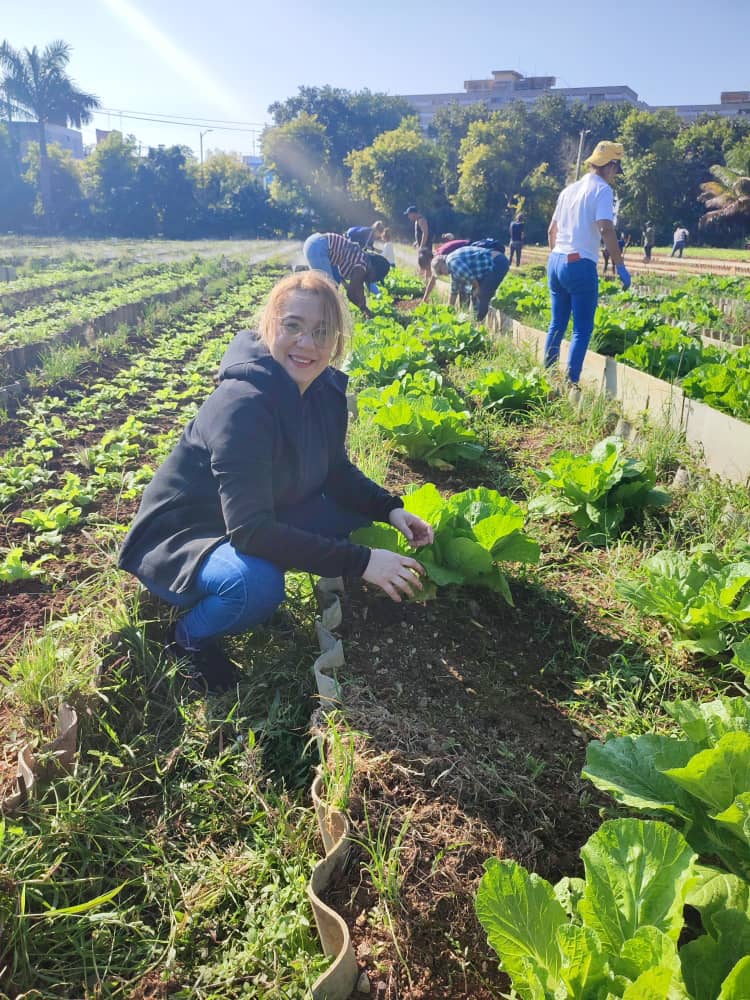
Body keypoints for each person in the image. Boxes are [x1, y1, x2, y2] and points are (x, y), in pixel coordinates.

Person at [118, 271, 434, 691]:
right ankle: (188, 639)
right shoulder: (241, 405)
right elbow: (250, 531)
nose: (307, 343)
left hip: (250, 515)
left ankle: (242, 590)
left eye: (322, 331)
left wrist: (391, 508)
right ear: (270, 325)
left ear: (337, 341)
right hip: (186, 537)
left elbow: (335, 470)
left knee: (343, 514)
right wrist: (362, 562)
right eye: (293, 326)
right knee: (256, 586)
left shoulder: (322, 390)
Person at [543, 140, 631, 385]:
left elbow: (552, 230)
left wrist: (557, 256)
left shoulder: (568, 190)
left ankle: (547, 375)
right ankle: (571, 383)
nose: (615, 175)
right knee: (581, 330)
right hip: (579, 263)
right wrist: (620, 264)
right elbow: (605, 227)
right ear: (611, 166)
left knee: (556, 324)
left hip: (556, 259)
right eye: (616, 169)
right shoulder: (602, 190)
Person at [302, 232, 391, 318]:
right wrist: (364, 309)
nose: (374, 280)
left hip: (315, 243)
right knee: (328, 290)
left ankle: (314, 311)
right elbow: (351, 293)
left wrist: (348, 288)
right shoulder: (361, 266)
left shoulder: (361, 260)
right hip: (319, 247)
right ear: (374, 270)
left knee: (329, 286)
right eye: (376, 278)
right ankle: (318, 316)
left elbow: (353, 287)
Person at [430, 244, 510, 320]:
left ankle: (478, 321)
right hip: (491, 266)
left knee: (481, 294)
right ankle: (476, 318)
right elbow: (454, 291)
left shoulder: (451, 262)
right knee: (475, 294)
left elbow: (470, 277)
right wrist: (449, 311)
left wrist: (478, 289)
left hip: (497, 263)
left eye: (440, 271)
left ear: (441, 263)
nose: (443, 274)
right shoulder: (453, 267)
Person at [403, 205, 433, 281]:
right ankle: (423, 281)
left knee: (426, 266)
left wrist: (421, 247)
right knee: (423, 265)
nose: (408, 217)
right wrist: (417, 242)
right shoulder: (417, 221)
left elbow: (425, 233)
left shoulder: (421, 220)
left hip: (426, 248)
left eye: (409, 214)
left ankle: (426, 282)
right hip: (423, 247)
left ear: (413, 213)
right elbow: (420, 234)